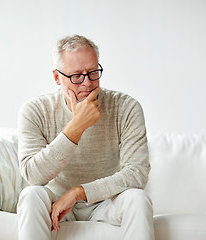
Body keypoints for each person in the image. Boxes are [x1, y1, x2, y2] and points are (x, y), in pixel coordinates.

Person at [17, 34, 154, 240]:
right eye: (76, 76)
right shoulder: (35, 110)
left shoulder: (126, 107)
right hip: (57, 203)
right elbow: (33, 175)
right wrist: (76, 126)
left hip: (107, 202)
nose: (87, 83)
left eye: (93, 72)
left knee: (138, 198)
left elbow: (137, 173)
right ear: (57, 77)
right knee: (31, 195)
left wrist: (79, 192)